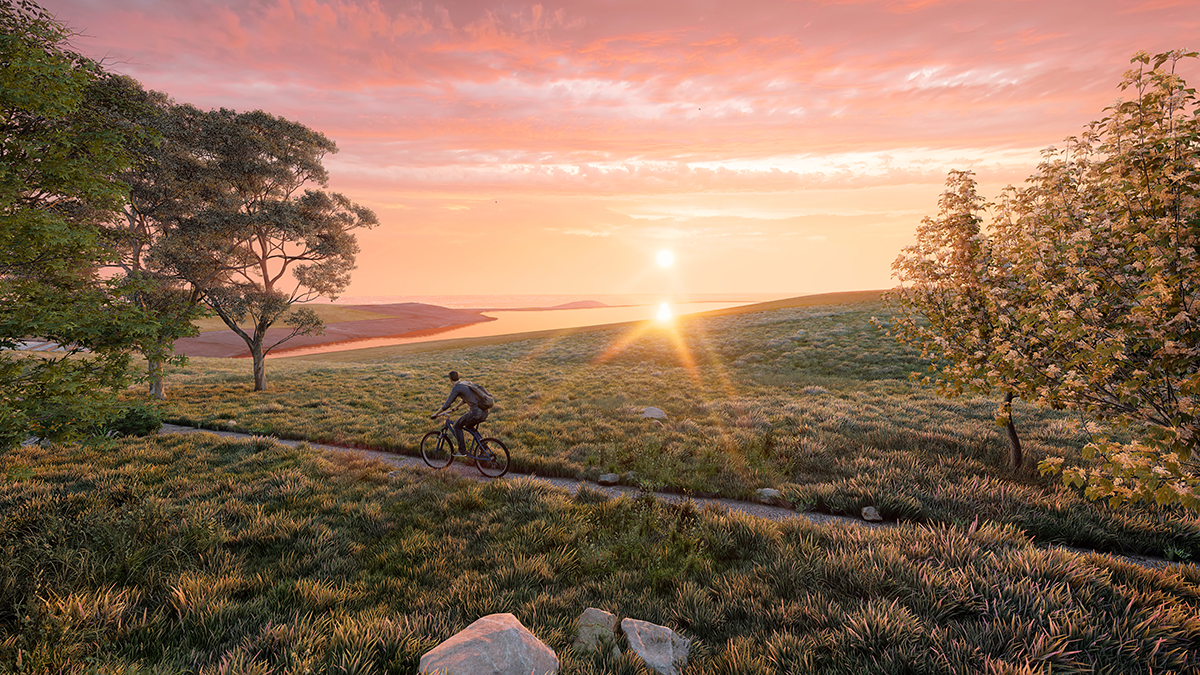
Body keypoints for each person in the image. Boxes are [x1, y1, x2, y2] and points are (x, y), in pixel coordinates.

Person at [431, 370, 489, 454]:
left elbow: (447, 404)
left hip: (476, 413)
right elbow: (467, 398)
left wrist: (436, 414)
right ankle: (483, 446)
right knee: (469, 426)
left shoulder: (456, 388)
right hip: (484, 411)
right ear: (459, 377)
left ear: (450, 379)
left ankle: (462, 451)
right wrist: (456, 407)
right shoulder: (466, 383)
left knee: (457, 425)